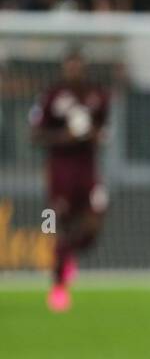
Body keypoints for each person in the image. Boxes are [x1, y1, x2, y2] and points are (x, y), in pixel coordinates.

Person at [29, 49, 110, 312]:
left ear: (83, 67)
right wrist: (66, 136)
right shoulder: (51, 96)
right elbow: (35, 135)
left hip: (88, 170)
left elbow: (104, 130)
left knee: (95, 222)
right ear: (64, 68)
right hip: (60, 170)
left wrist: (93, 134)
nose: (74, 70)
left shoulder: (96, 95)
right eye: (70, 66)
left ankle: (68, 255)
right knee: (56, 224)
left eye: (78, 65)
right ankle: (58, 286)